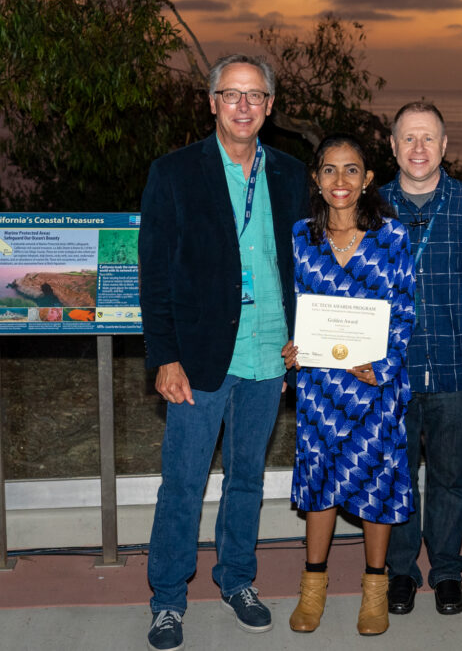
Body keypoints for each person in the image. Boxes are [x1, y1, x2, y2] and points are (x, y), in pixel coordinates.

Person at [138, 54, 309, 651]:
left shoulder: (291, 174)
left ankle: (237, 579)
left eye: (254, 95)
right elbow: (153, 275)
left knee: (246, 477)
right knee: (182, 481)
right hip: (199, 357)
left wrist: (304, 338)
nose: (243, 105)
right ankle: (167, 599)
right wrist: (164, 356)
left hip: (269, 352)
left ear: (268, 106)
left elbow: (302, 268)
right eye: (231, 94)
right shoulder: (175, 172)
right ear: (211, 103)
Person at [281, 134, 415, 636]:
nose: (341, 181)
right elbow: (289, 303)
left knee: (376, 481)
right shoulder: (299, 236)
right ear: (316, 179)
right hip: (318, 384)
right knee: (320, 482)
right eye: (331, 170)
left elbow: (404, 310)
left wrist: (381, 365)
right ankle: (312, 588)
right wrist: (290, 346)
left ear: (368, 179)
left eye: (352, 170)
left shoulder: (392, 237)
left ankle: (374, 589)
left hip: (374, 387)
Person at [379, 101, 462, 615]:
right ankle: (402, 570)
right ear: (392, 146)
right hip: (391, 370)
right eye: (408, 138)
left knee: (451, 475)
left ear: (445, 146)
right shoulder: (373, 206)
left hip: (455, 365)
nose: (418, 148)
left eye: (428, 138)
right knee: (399, 472)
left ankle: (447, 568)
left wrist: (453, 325)